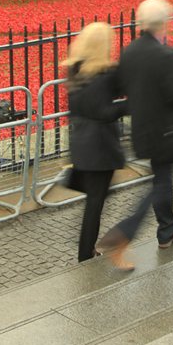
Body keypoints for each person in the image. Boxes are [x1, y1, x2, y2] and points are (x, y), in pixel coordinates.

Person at [97, 0, 173, 271]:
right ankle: (124, 233)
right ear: (164, 24)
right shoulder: (165, 54)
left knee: (162, 178)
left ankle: (167, 231)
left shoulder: (130, 51)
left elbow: (120, 86)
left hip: (143, 129)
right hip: (166, 130)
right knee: (160, 184)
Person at [62, 22, 128, 262]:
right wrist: (129, 105)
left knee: (96, 200)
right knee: (95, 203)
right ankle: (85, 254)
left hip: (83, 145)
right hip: (100, 148)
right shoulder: (103, 75)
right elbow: (104, 111)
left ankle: (86, 249)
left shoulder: (76, 72)